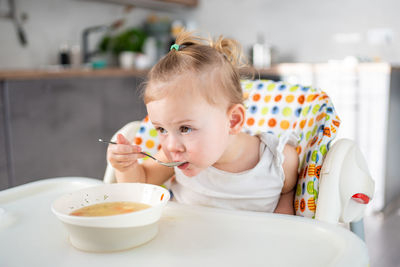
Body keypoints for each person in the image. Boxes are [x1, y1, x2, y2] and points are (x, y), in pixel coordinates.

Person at [107, 31, 299, 215]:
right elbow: (139, 187)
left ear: (233, 120)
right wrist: (125, 167)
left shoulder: (279, 161)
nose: (171, 146)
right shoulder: (173, 160)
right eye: (162, 129)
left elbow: (286, 204)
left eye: (185, 128)